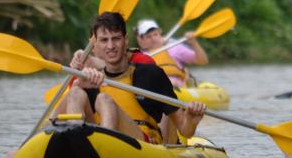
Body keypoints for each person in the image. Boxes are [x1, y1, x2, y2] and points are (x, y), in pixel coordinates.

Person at [55, 12, 206, 145]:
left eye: (116, 39)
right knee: (75, 93)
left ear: (126, 40)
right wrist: (79, 85)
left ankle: (103, 150)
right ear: (95, 46)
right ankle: (75, 148)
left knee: (104, 100)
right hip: (97, 139)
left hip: (143, 143)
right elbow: (56, 116)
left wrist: (191, 120)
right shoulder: (90, 78)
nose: (110, 46)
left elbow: (185, 130)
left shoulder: (151, 74)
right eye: (104, 40)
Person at [135, 19, 208, 87]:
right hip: (155, 88)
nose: (153, 39)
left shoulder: (174, 47)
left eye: (155, 34)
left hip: (179, 87)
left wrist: (194, 43)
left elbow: (203, 61)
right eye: (148, 37)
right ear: (142, 40)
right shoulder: (140, 57)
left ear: (160, 33)